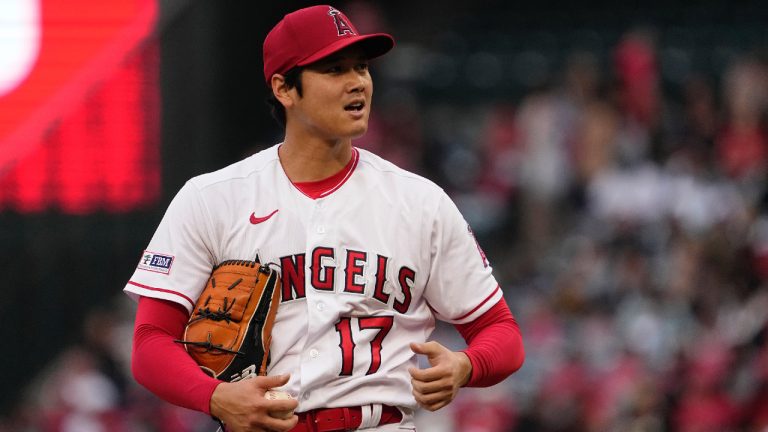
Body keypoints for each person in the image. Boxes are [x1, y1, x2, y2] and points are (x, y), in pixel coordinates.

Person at [125, 4, 525, 431]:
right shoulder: (213, 198)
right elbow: (150, 343)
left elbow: (502, 332)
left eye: (361, 67)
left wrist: (467, 366)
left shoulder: (421, 202)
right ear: (284, 88)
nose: (357, 82)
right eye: (334, 70)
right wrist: (216, 397)